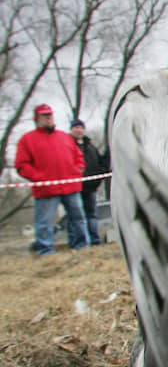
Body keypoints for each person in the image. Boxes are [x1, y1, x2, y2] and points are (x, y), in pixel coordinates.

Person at [15, 104, 88, 255]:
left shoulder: (65, 137)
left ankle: (81, 245)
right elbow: (21, 165)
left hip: (70, 186)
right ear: (37, 119)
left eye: (50, 114)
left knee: (78, 218)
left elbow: (78, 157)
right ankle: (45, 249)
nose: (48, 118)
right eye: (44, 115)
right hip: (46, 189)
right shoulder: (27, 140)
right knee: (45, 223)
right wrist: (39, 177)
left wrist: (78, 169)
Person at [70, 119, 108, 245]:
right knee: (76, 216)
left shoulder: (90, 146)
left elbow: (99, 162)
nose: (78, 130)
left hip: (91, 187)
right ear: (71, 129)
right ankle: (79, 241)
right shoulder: (67, 145)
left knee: (91, 214)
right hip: (74, 188)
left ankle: (94, 239)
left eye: (81, 127)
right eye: (75, 127)